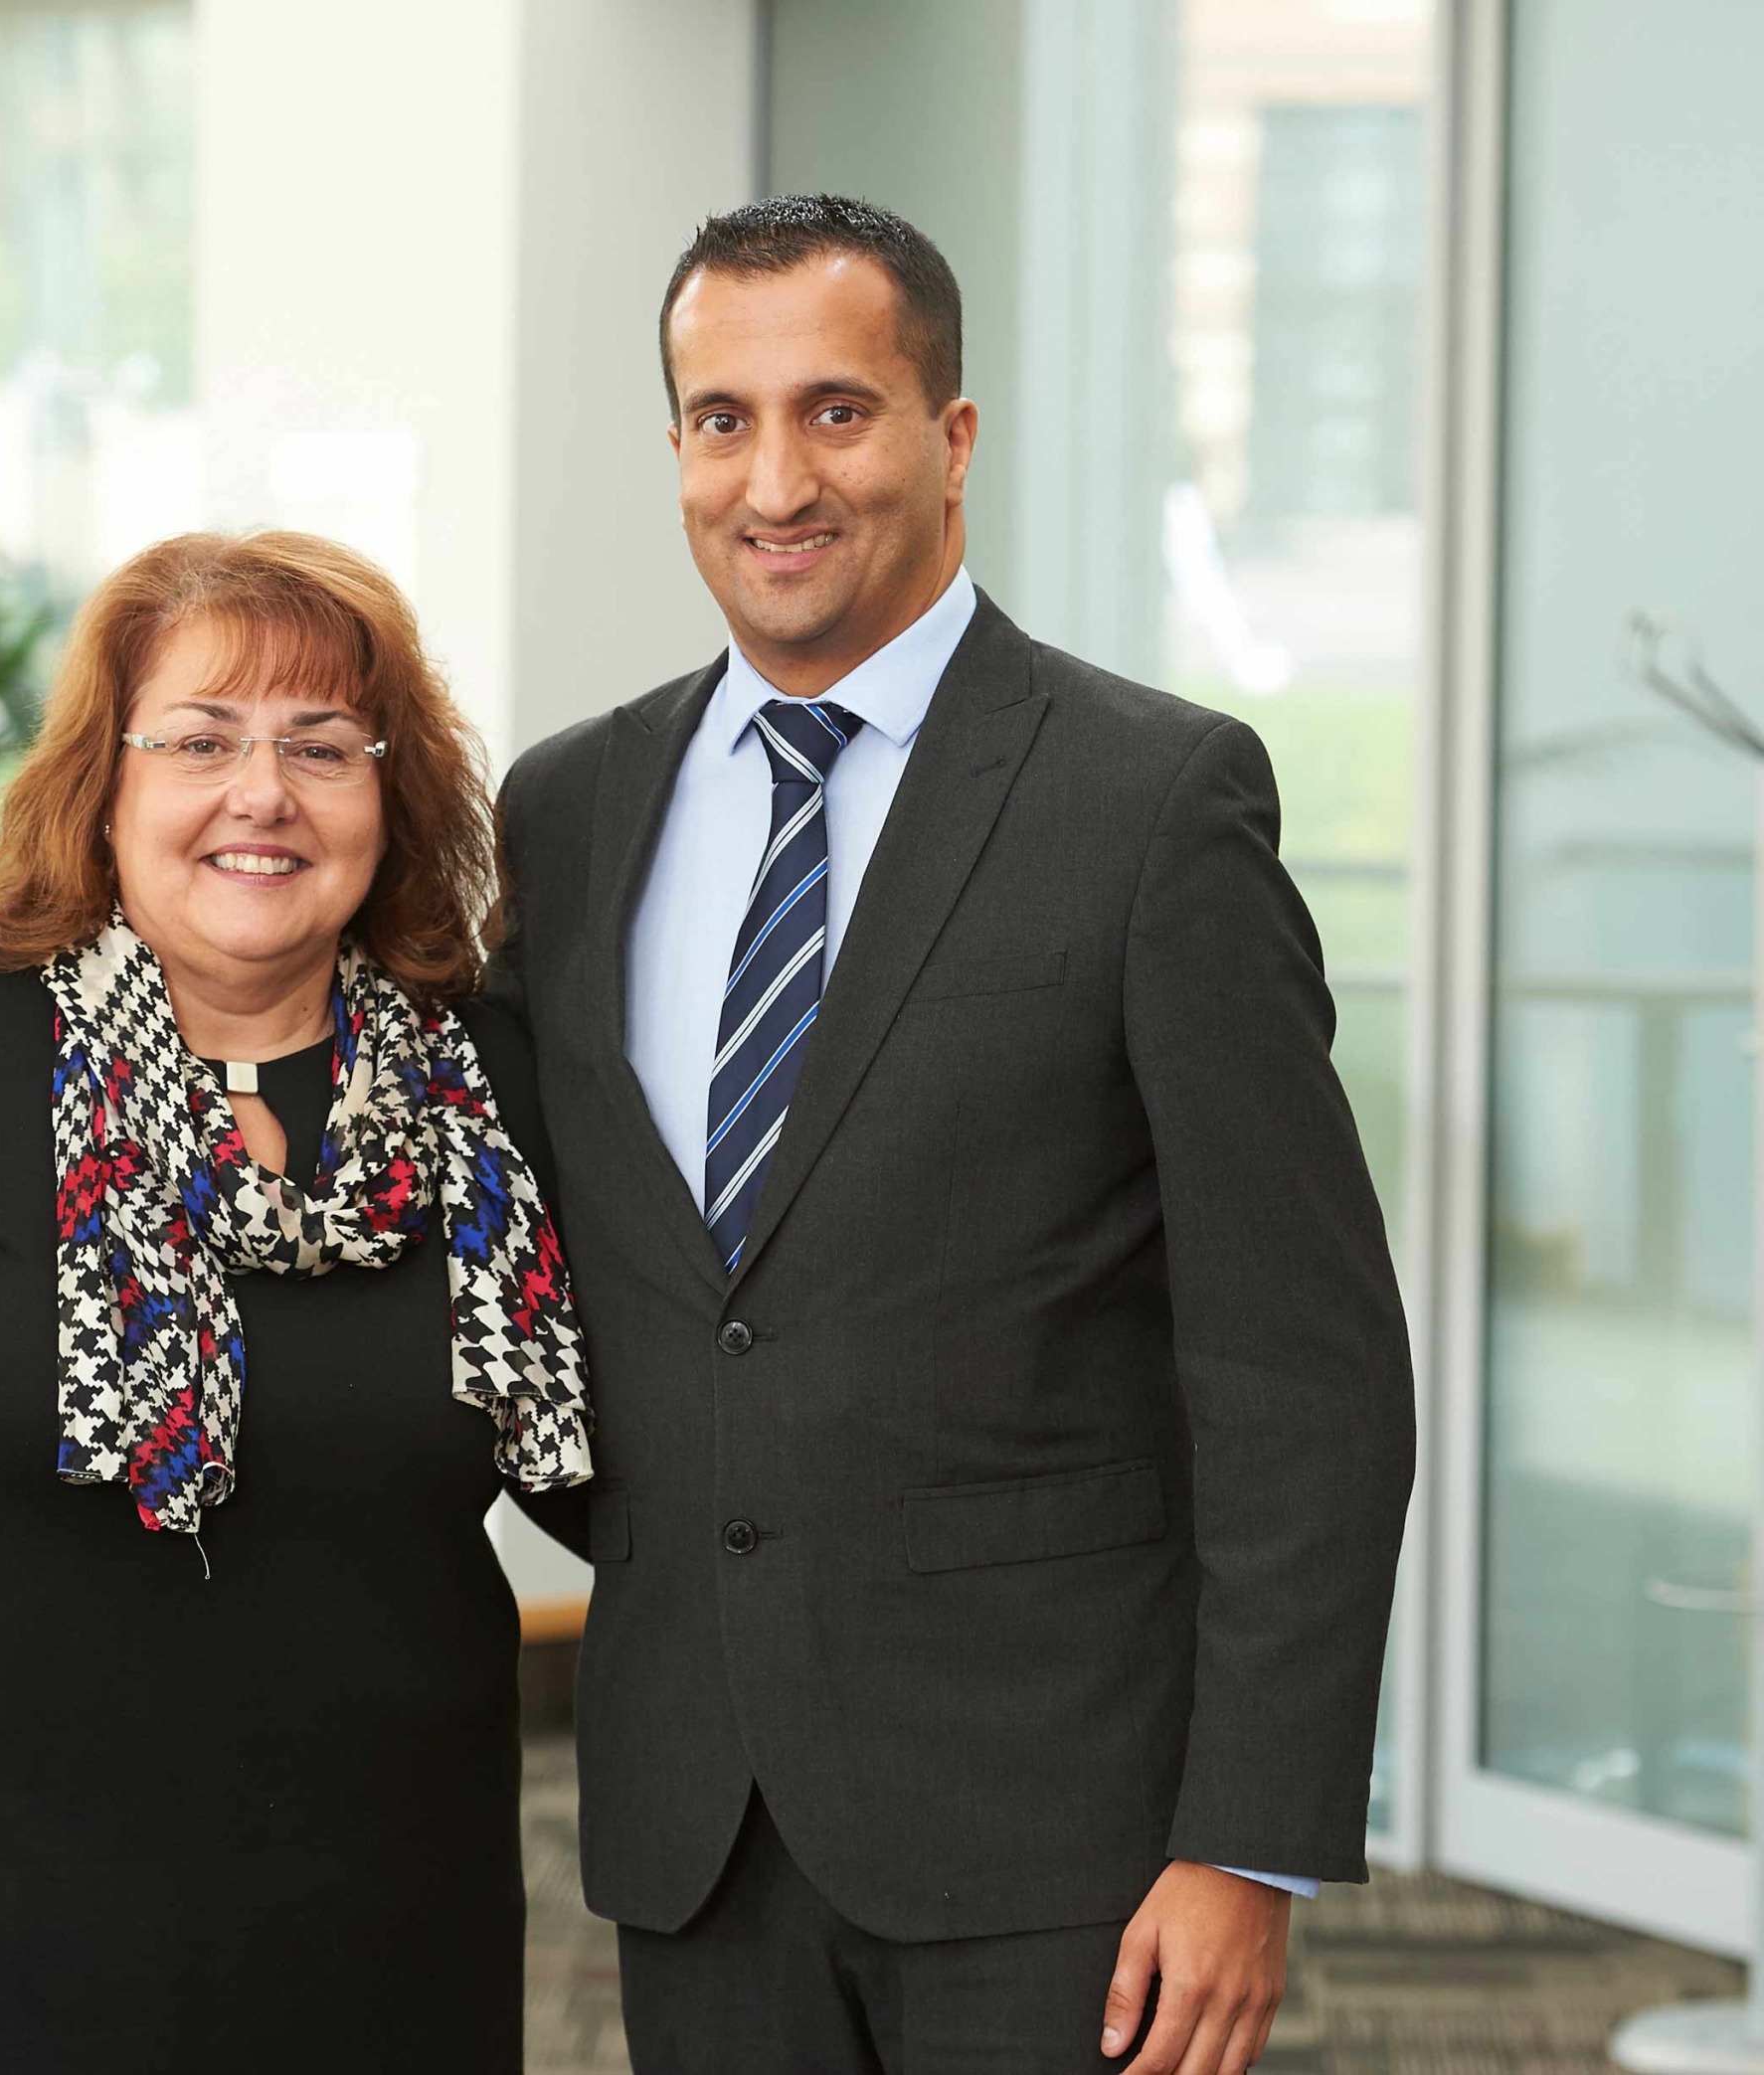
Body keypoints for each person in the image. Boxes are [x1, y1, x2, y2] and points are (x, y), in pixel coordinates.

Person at [493, 195, 1415, 2073]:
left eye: (838, 410)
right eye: (720, 418)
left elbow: (1303, 1369)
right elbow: (566, 1274)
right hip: (698, 1823)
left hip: (1063, 1837)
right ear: (674, 446)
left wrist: (1246, 1839)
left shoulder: (1156, 801)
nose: (776, 479)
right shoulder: (571, 811)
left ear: (951, 436)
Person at [0, 530, 592, 2072]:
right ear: (107, 784)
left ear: (386, 798)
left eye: (320, 746)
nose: (260, 793)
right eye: (201, 741)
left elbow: (647, 1447)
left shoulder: (491, 1090)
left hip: (392, 1948)